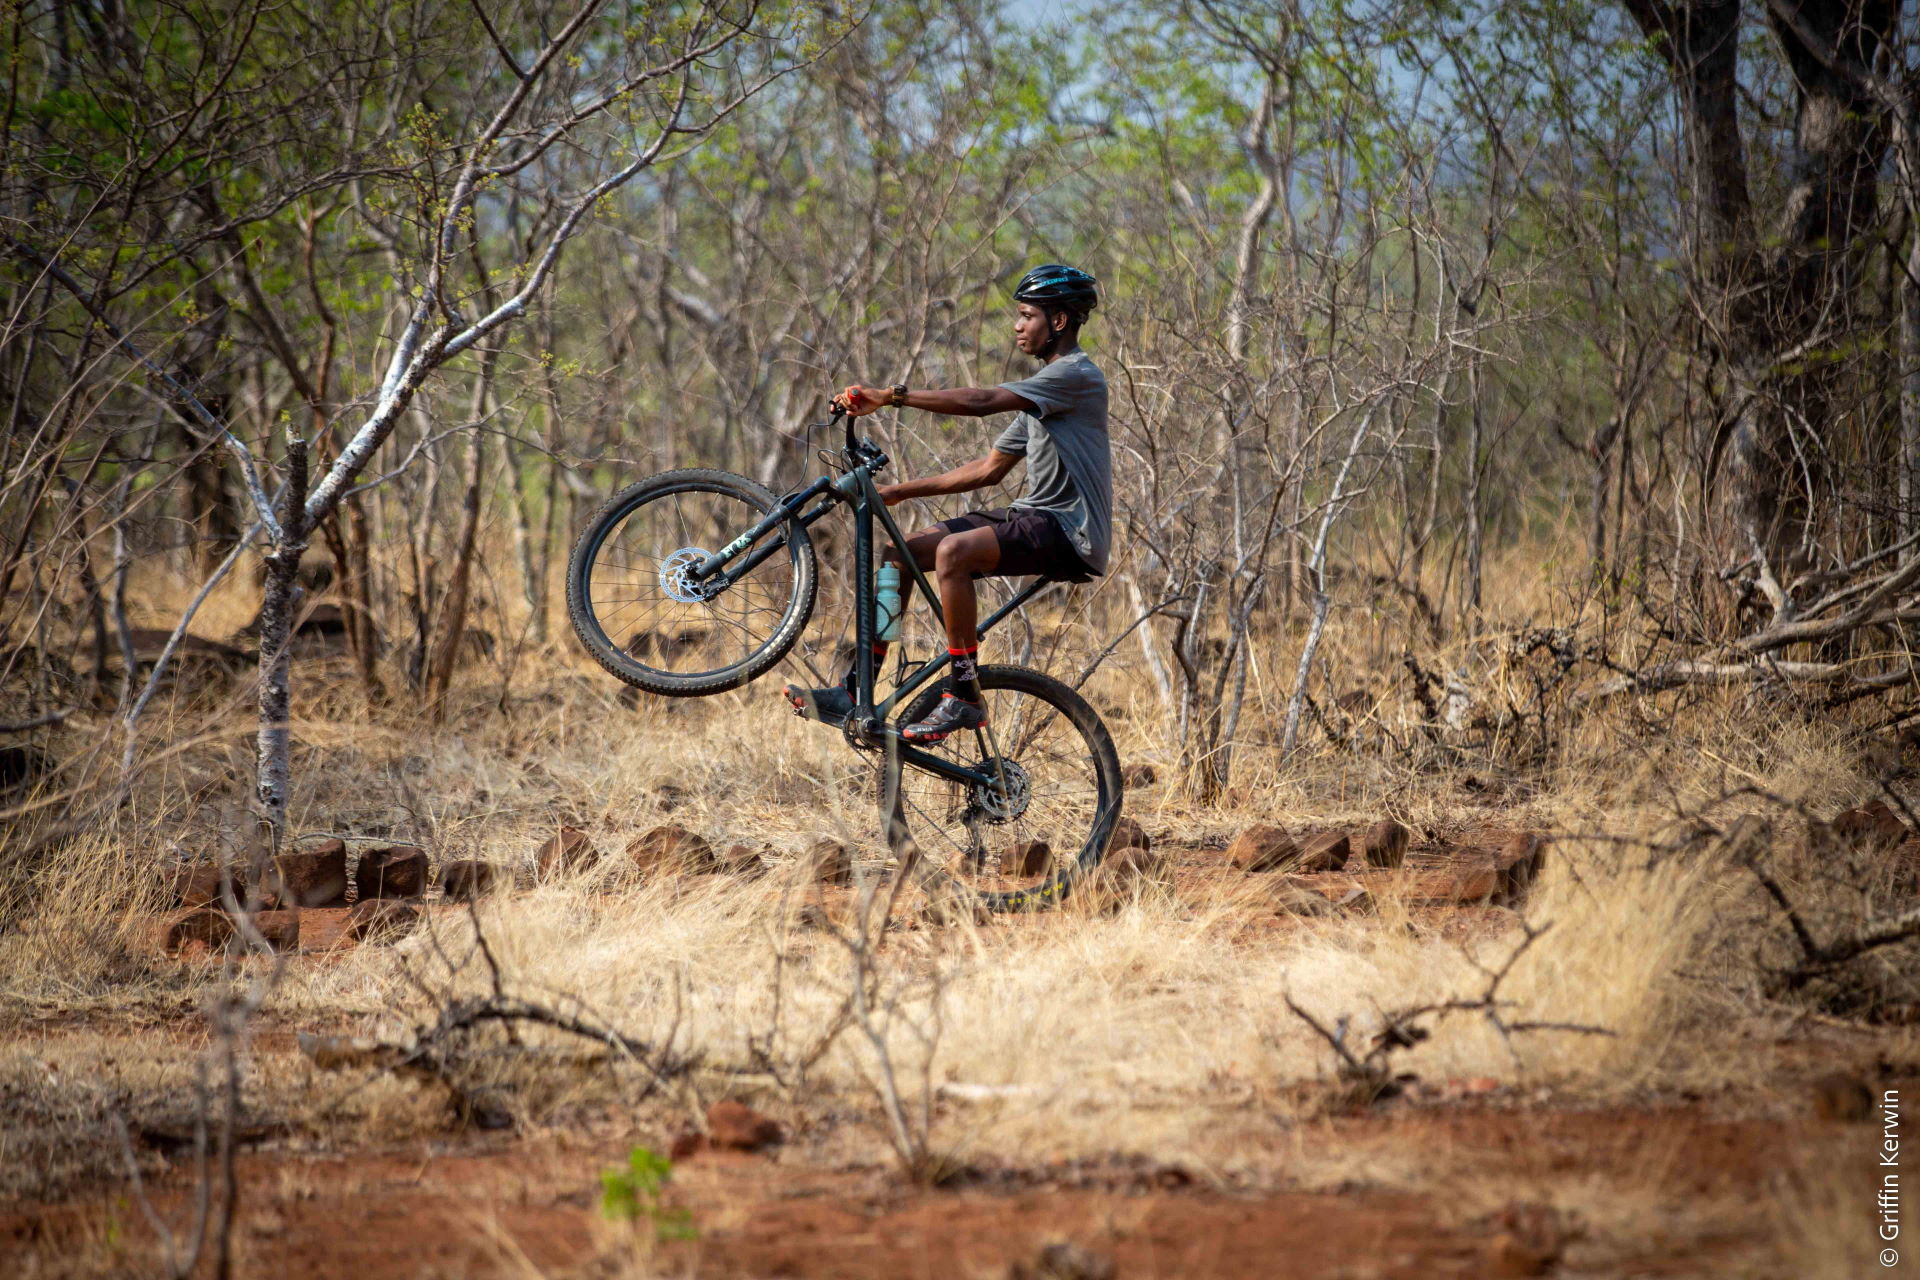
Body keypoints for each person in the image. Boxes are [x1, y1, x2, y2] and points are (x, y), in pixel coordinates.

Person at [783, 263, 1110, 743]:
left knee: (953, 553)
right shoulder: (1041, 394)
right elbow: (988, 469)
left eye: (1026, 316)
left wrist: (891, 396)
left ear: (1058, 321)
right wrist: (896, 492)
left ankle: (964, 696)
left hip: (1067, 530)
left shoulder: (1074, 376)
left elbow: (979, 401)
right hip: (1032, 517)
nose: (1017, 327)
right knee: (903, 551)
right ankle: (859, 687)